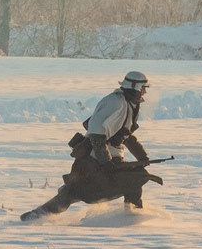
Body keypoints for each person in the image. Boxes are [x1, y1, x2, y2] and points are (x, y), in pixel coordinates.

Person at [20, 70, 162, 222]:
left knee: (135, 178)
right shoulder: (115, 103)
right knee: (74, 191)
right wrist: (106, 162)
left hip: (107, 160)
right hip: (93, 161)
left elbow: (125, 135)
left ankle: (131, 215)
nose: (145, 92)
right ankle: (35, 217)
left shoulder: (128, 105)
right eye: (143, 88)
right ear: (134, 87)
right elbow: (96, 134)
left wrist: (142, 157)